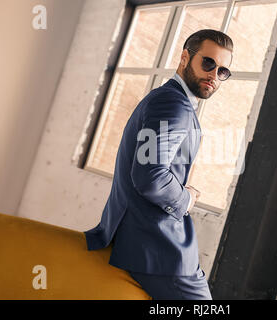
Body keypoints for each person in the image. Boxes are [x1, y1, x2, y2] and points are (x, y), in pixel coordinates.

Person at [84, 29, 233, 300]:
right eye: (208, 63)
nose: (214, 75)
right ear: (185, 57)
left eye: (223, 71)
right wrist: (186, 198)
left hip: (148, 240)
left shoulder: (169, 98)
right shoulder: (173, 104)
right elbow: (150, 176)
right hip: (156, 246)